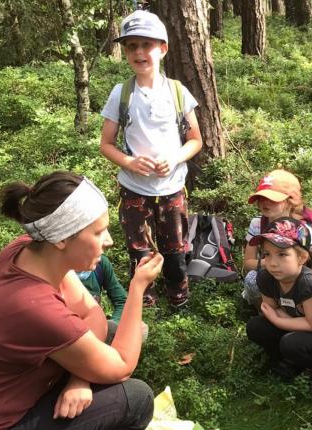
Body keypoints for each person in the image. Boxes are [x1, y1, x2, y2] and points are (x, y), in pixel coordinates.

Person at [0, 171, 164, 430]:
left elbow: (91, 314)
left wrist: (80, 378)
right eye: (97, 232)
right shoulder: (35, 309)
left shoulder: (24, 251)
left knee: (113, 331)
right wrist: (138, 288)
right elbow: (121, 365)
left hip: (5, 401)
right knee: (137, 400)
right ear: (61, 240)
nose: (109, 241)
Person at [99, 9, 202, 308]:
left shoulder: (177, 92)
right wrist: (129, 163)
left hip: (172, 189)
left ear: (163, 49)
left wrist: (175, 157)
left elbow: (195, 139)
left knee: (174, 248)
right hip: (134, 191)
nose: (139, 52)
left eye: (147, 44)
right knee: (139, 250)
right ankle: (144, 302)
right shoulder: (121, 93)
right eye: (131, 46)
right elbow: (106, 144)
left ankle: (178, 299)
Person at [245, 217, 312, 381]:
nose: (272, 263)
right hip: (300, 320)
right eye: (267, 254)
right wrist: (284, 318)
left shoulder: (307, 284)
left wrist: (277, 320)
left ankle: (304, 364)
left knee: (291, 343)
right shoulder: (266, 277)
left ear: (302, 258)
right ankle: (283, 358)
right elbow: (270, 307)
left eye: (282, 254)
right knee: (255, 326)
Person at [242, 169, 312, 307]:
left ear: (290, 200)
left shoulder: (302, 229)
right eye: (261, 198)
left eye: (272, 199)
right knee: (252, 279)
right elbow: (248, 263)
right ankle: (265, 311)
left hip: (297, 280)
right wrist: (274, 261)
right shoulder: (257, 224)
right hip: (270, 277)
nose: (265, 203)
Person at [77, 254, 148, 343]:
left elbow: (122, 300)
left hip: (95, 327)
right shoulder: (59, 273)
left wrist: (114, 323)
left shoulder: (100, 263)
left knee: (140, 328)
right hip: (71, 335)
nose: (108, 242)